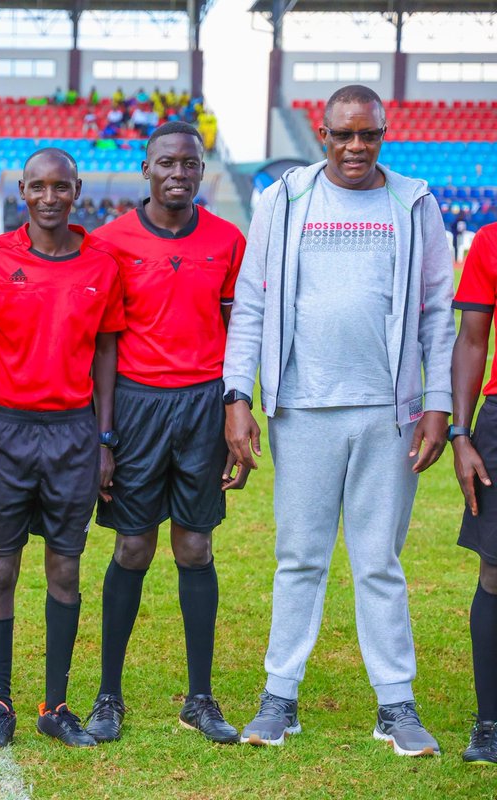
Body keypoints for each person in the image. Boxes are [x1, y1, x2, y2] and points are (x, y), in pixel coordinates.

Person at [225, 84, 454, 755]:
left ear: (385, 133)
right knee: (299, 558)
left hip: (389, 414)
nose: (356, 148)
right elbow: (251, 307)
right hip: (302, 408)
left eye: (368, 135)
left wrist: (436, 403)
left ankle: (396, 704)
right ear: (321, 134)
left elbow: (438, 312)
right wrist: (239, 395)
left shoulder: (413, 203)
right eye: (342, 135)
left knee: (379, 560)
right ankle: (280, 697)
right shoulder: (283, 200)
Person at [82, 121, 246, 746]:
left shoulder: (228, 240)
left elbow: (241, 332)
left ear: (202, 171)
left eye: (190, 164)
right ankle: (108, 695)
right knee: (131, 548)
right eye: (167, 163)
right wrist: (101, 435)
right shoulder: (109, 242)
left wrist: (236, 406)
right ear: (145, 169)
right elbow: (99, 343)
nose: (178, 173)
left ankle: (200, 699)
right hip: (135, 406)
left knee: (196, 547)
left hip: (203, 406)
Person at [0, 149, 123, 749]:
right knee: (0, 566)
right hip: (6, 431)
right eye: (39, 188)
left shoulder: (102, 266)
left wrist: (104, 438)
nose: (50, 198)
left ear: (77, 190)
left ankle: (54, 704)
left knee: (64, 566)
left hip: (74, 434)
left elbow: (107, 353)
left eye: (62, 187)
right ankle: (0, 703)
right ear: (22, 191)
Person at [449, 221, 497, 764]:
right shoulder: (489, 241)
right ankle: (489, 723)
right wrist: (462, 434)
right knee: (494, 572)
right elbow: (472, 339)